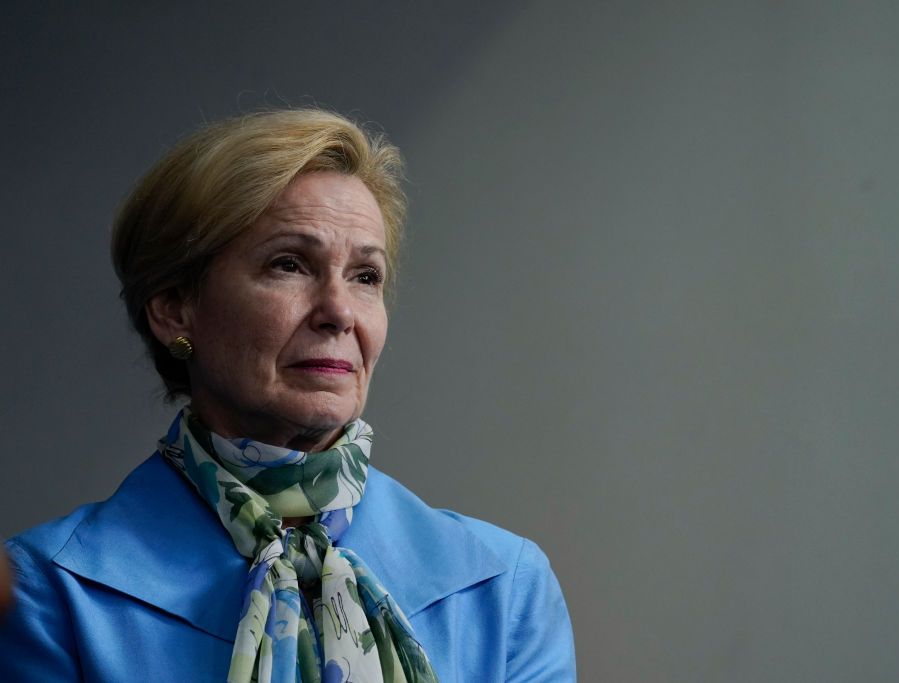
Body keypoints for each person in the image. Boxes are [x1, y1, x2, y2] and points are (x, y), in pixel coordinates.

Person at [0, 109, 575, 682]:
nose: (339, 312)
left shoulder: (507, 588)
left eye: (365, 276)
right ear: (174, 306)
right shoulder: (47, 596)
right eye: (290, 265)